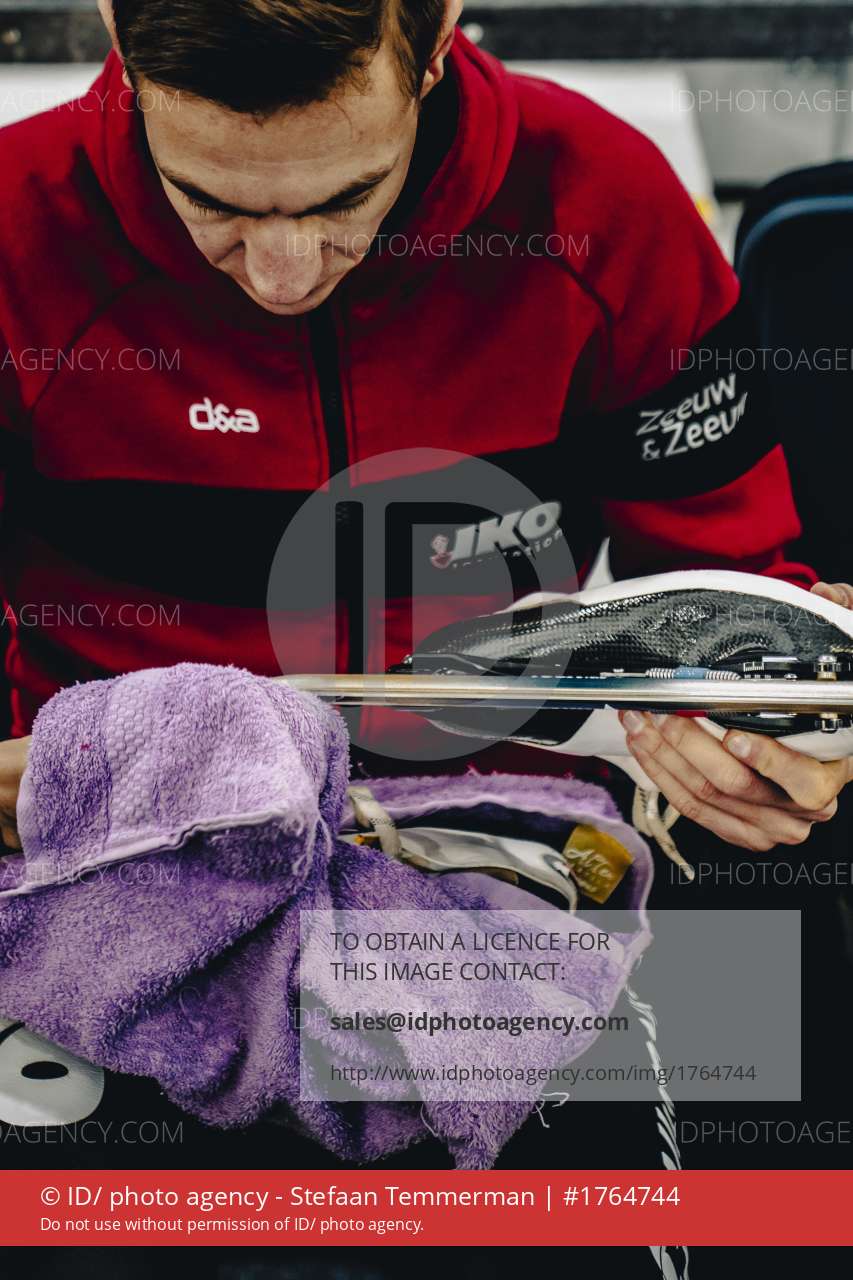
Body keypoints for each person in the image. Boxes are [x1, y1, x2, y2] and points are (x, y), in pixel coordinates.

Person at [0, 2, 850, 856]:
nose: (282, 278)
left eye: (348, 195)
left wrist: (784, 739)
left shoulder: (603, 204)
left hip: (513, 834)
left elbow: (726, 588)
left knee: (759, 937)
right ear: (116, 27)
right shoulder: (14, 227)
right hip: (116, 839)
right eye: (207, 200)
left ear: (437, 35)